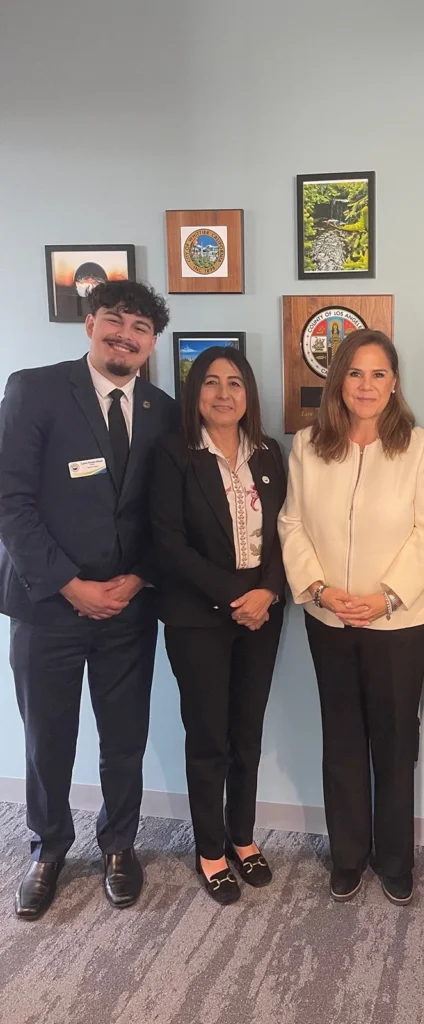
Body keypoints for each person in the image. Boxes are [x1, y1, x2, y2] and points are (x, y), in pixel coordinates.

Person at [0, 281, 178, 919]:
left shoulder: (163, 409)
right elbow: (11, 503)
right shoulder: (35, 390)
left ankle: (119, 845)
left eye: (139, 327)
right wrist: (69, 585)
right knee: (48, 737)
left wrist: (135, 580)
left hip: (128, 609)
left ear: (151, 342)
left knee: (123, 736)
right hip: (47, 607)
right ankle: (47, 849)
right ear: (90, 324)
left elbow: (169, 514)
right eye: (115, 321)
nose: (125, 335)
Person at [278, 329, 424, 906]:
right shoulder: (307, 444)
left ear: (395, 382)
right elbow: (291, 524)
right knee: (343, 739)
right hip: (328, 618)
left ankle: (394, 859)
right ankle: (348, 855)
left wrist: (387, 597)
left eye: (378, 374)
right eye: (355, 373)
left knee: (396, 742)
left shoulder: (421, 447)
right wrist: (320, 591)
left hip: (399, 623)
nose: (367, 385)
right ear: (338, 381)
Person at [151, 347, 286, 905]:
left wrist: (270, 591)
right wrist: (239, 595)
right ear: (195, 393)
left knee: (246, 733)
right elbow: (167, 543)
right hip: (198, 617)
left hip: (262, 612)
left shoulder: (270, 453)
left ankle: (243, 835)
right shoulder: (174, 453)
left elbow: (288, 532)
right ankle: (210, 848)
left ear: (249, 393)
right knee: (208, 737)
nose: (224, 394)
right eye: (211, 383)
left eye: (235, 383)